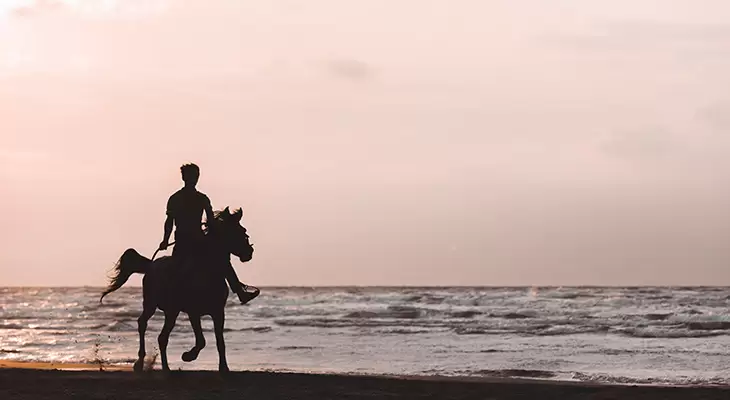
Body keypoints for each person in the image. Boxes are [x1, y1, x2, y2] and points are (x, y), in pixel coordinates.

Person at [159, 163, 258, 304]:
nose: (194, 179)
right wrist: (165, 240)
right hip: (183, 242)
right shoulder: (176, 198)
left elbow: (211, 221)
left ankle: (239, 292)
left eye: (195, 176)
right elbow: (169, 222)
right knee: (177, 269)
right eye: (191, 176)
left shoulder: (201, 198)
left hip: (199, 240)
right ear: (184, 177)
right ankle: (173, 299)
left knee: (222, 260)